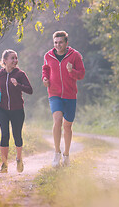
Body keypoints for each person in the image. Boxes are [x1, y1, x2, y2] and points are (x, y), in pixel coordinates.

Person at [42, 31, 85, 167]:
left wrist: (72, 71)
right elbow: (45, 69)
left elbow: (81, 74)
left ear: (66, 43)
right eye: (55, 42)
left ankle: (66, 155)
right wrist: (45, 78)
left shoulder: (75, 56)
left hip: (70, 95)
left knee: (67, 126)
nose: (58, 45)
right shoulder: (48, 55)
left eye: (60, 42)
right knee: (58, 120)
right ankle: (56, 153)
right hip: (54, 93)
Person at [0, 49, 33, 173]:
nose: (15, 61)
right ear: (5, 61)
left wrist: (17, 85)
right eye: (12, 58)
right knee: (5, 134)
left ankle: (19, 159)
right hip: (1, 109)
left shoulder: (20, 74)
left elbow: (30, 90)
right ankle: (4, 164)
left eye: (16, 58)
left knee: (17, 135)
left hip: (17, 110)